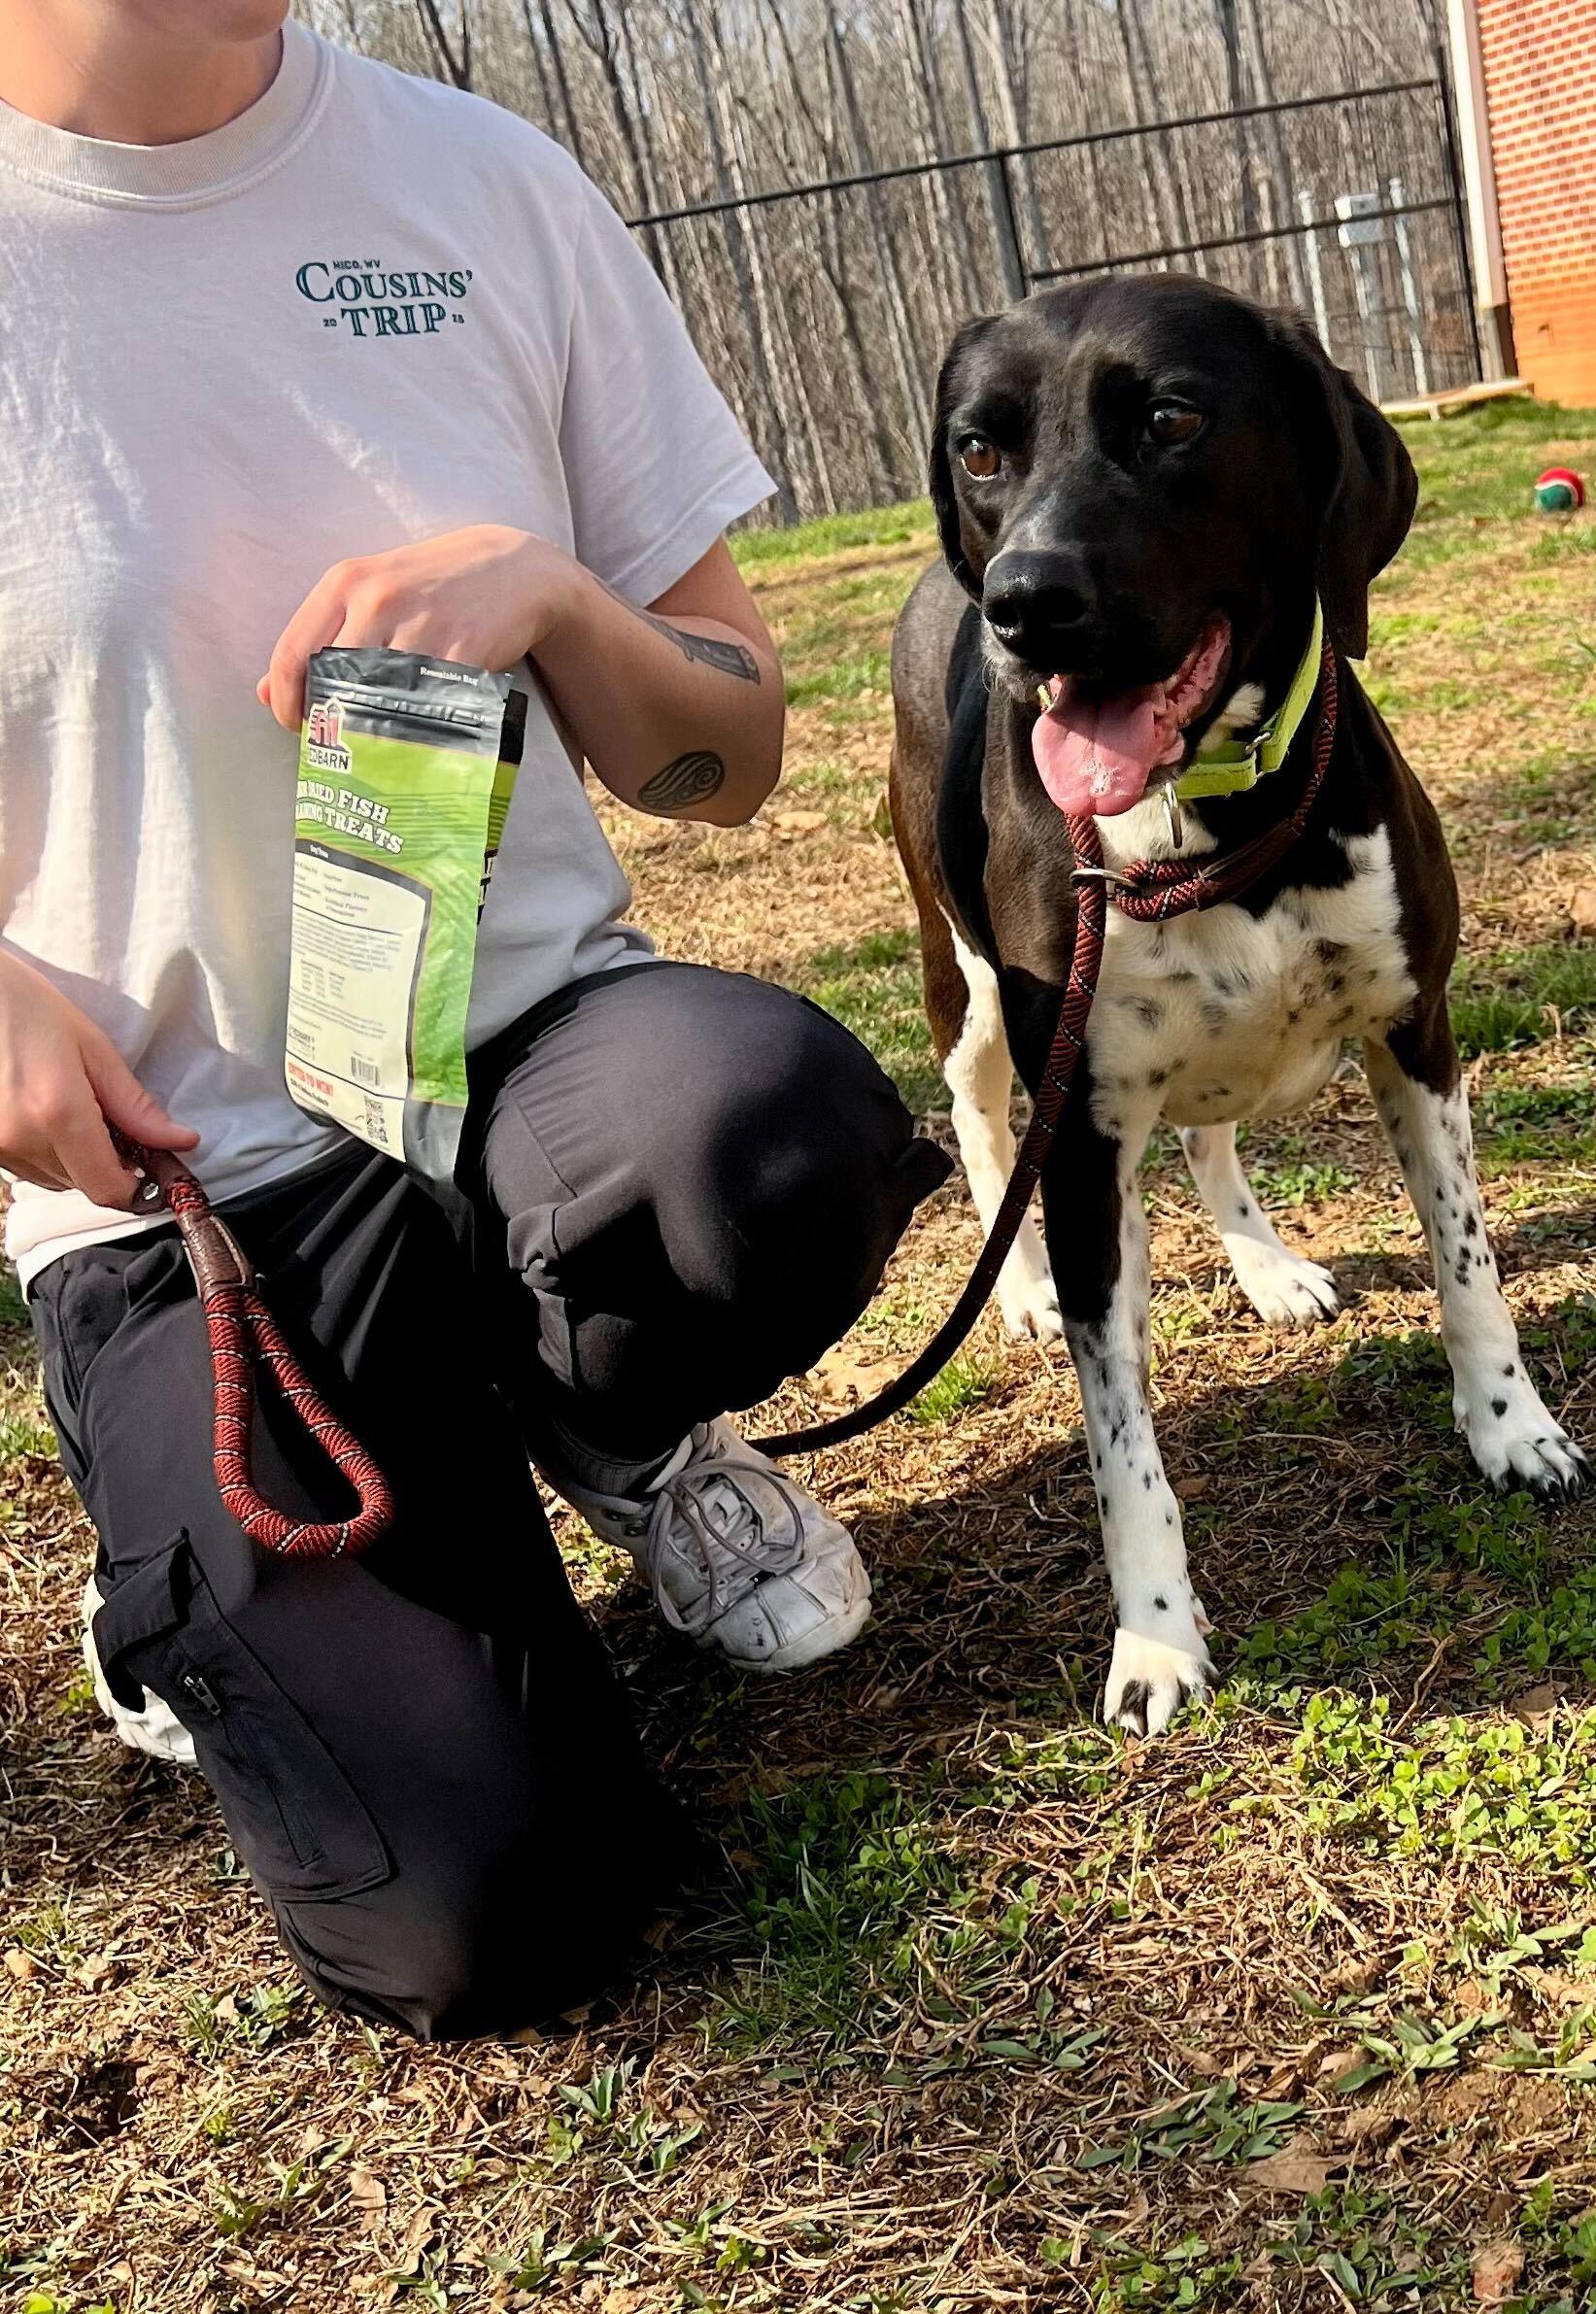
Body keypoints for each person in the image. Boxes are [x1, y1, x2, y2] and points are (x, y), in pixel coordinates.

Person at [0, 0, 951, 2038]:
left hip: (527, 1070)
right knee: (481, 1924)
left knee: (762, 1139)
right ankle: (189, 1566)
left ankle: (603, 1417)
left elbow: (733, 751)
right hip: (189, 1178)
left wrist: (564, 603)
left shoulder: (481, 186)